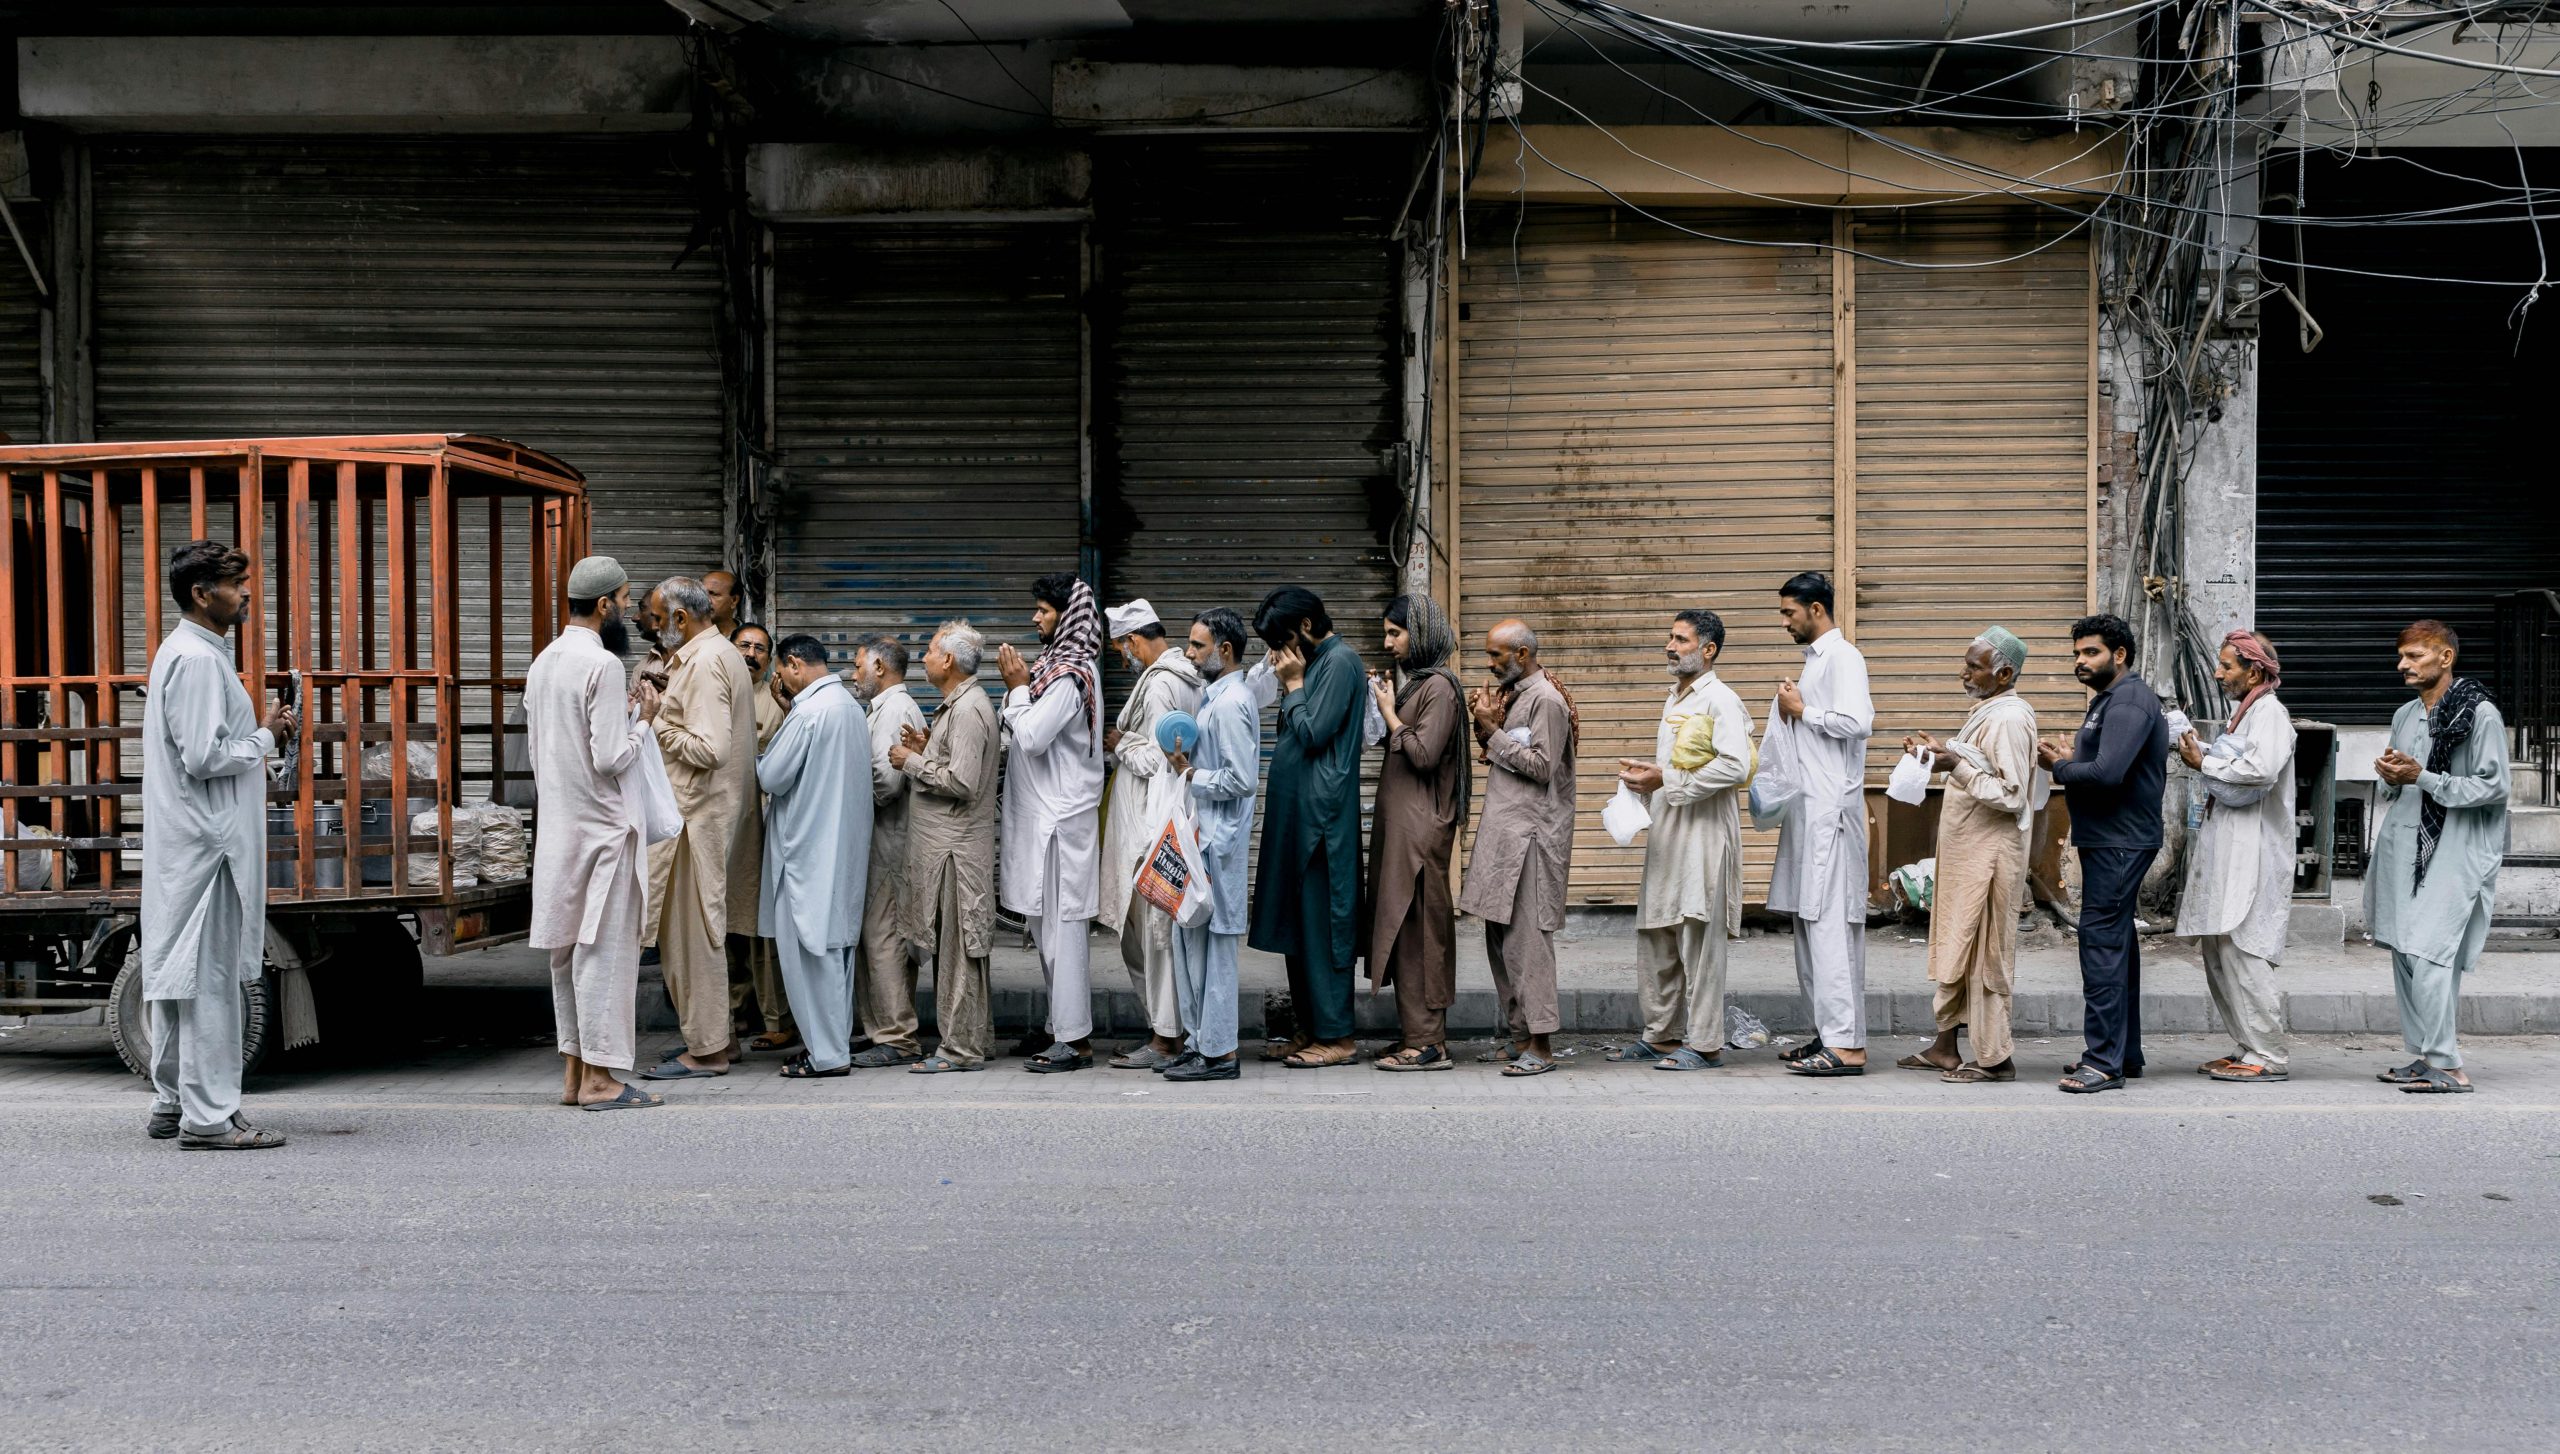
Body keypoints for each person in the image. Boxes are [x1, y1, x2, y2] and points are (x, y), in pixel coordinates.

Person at [138, 539, 301, 1149]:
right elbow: (206, 757)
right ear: (202, 594)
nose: (247, 594)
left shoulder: (183, 652)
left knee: (181, 977)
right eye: (236, 584)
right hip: (208, 849)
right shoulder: (199, 660)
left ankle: (173, 1099)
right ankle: (207, 1120)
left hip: (190, 844)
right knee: (208, 984)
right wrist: (265, 735)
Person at [525, 555, 663, 1113]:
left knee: (567, 956)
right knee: (602, 954)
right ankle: (602, 1082)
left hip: (560, 829)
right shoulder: (601, 665)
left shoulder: (544, 662)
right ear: (604, 605)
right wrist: (646, 719)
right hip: (603, 832)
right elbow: (609, 757)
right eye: (627, 601)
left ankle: (575, 1075)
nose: (629, 612)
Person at [2368, 620, 2509, 1095]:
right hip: (2406, 843)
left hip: (2458, 848)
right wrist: (2391, 775)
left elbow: (2493, 787)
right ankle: (2426, 1055)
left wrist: (2423, 777)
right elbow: (2402, 779)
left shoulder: (2480, 714)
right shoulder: (2406, 714)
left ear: (2444, 658)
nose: (2402, 665)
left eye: (2415, 656)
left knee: (2431, 952)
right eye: (2402, 656)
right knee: (2404, 951)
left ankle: (2449, 1066)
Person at [1611, 609, 1753, 1073]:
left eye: (1681, 639)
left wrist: (1666, 779)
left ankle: (1706, 1043)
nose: (1670, 647)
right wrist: (1647, 781)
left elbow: (1734, 766)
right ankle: (1661, 1035)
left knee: (1698, 937)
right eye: (1670, 638)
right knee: (1659, 932)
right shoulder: (1675, 698)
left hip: (1705, 834)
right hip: (1669, 831)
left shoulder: (1721, 700)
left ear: (1708, 650)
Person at [2037, 612, 2172, 1095]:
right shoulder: (2110, 700)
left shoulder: (2130, 701)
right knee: (2116, 946)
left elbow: (2108, 774)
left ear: (2119, 655)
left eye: (2089, 652)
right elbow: (2103, 764)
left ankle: (2103, 1062)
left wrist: (2060, 766)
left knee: (2101, 947)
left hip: (2120, 839)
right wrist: (2073, 760)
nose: (2080, 661)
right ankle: (2124, 1054)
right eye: (2076, 653)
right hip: (2109, 837)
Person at [1896, 629, 2038, 1085]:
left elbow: (2011, 795)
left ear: (2004, 673)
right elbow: (1979, 765)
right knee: (1958, 945)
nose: (1965, 673)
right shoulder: (1988, 713)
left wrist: (1952, 764)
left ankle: (1996, 1059)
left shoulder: (2010, 719)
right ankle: (1944, 1047)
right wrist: (1942, 753)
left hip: (1991, 859)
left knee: (1985, 955)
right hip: (1967, 854)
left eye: (1975, 666)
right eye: (1967, 662)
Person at [640, 576, 757, 1082]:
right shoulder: (705, 655)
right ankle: (720, 1039)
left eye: (655, 617)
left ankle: (707, 1050)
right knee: (695, 934)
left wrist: (656, 720)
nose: (650, 625)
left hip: (695, 818)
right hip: (697, 816)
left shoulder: (708, 661)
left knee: (692, 937)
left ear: (681, 619)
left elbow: (711, 750)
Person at [1248, 586, 1368, 1069]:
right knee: (1299, 928)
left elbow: (1316, 732)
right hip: (1298, 817)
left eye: (1277, 641)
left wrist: (1295, 686)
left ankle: (1337, 1036)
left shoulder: (1340, 663)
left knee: (1324, 927)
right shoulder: (1312, 664)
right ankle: (1311, 1025)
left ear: (1302, 629)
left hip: (1322, 821)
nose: (1273, 655)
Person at [1763, 571, 1875, 1078]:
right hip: (1809, 812)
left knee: (1830, 927)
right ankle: (1828, 1035)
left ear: (1816, 610)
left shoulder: (1844, 657)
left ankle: (1848, 1046)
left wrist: (1801, 710)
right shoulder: (1815, 664)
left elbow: (1858, 722)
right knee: (1809, 925)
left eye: (1790, 612)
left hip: (1832, 814)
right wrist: (1795, 711)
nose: (1784, 622)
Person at [2175, 630, 2297, 1083]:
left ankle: (2270, 1055)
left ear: (2255, 670)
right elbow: (2236, 762)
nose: (2218, 673)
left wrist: (2201, 763)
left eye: (2228, 666)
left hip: (2256, 854)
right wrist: (2201, 752)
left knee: (2246, 951)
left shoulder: (2269, 713)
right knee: (2220, 951)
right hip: (2230, 850)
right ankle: (2247, 1047)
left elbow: (2259, 771)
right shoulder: (2245, 715)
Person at [998, 573, 1107, 1073]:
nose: (1035, 617)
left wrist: (1018, 690)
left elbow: (1032, 736)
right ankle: (1058, 1028)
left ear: (1067, 616)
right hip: (1045, 822)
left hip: (1060, 824)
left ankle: (1076, 1041)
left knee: (1064, 934)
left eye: (1043, 610)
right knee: (1046, 933)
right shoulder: (1051, 670)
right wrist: (1020, 693)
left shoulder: (1068, 675)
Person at [1460, 620, 1578, 1077]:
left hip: (1530, 836)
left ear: (1523, 655)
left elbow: (1543, 766)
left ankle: (1542, 1045)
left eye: (1496, 656)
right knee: (1500, 938)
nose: (1489, 665)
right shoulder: (1518, 695)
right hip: (1506, 833)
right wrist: (1487, 723)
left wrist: (1491, 731)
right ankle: (1519, 1037)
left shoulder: (1545, 700)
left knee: (1527, 941)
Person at [756, 633, 872, 1079]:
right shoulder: (847, 707)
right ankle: (832, 1047)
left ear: (794, 665)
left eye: (781, 671)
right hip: (840, 851)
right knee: (834, 957)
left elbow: (772, 776)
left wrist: (759, 756)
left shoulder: (810, 712)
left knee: (809, 959)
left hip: (805, 853)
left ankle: (825, 1056)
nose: (780, 681)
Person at [1098, 598, 1203, 1070]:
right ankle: (1166, 1030)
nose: (1124, 657)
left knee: (1150, 936)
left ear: (1134, 640)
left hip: (1149, 823)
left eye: (1124, 648)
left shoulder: (1160, 684)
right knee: (1151, 935)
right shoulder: (1182, 676)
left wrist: (1123, 746)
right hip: (1158, 821)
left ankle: (1165, 1038)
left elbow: (1162, 761)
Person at [893, 621, 1003, 1073]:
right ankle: (976, 1040)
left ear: (949, 661)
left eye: (930, 651)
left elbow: (961, 782)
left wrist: (911, 761)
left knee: (961, 951)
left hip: (956, 854)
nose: (923, 658)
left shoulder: (970, 709)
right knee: (957, 950)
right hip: (946, 850)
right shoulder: (957, 707)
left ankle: (960, 1050)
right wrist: (927, 749)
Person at [1157, 608, 1261, 1082]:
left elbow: (1241, 779)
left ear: (1224, 650)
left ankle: (1220, 1053)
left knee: (1215, 948)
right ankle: (1199, 1042)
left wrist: (1191, 774)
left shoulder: (1233, 702)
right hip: (1201, 840)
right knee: (1189, 943)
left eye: (1197, 646)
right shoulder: (1212, 697)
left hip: (1219, 843)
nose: (1189, 653)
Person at [1367, 594, 1471, 1072]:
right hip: (1406, 829)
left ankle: (1429, 1043)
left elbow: (1425, 754)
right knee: (1403, 930)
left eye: (1396, 633)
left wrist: (1390, 713)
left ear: (1421, 634)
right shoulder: (1421, 686)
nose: (1389, 643)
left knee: (1421, 934)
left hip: (1421, 832)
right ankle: (1417, 1034)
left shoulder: (1441, 689)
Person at [848, 636, 930, 1068]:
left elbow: (887, 782)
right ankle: (879, 1027)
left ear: (880, 667)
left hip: (891, 841)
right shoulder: (883, 709)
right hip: (880, 841)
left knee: (885, 938)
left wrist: (849, 797)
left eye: (859, 664)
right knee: (873, 936)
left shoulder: (896, 710)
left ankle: (898, 1036)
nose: (853, 672)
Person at [725, 624, 797, 1054]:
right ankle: (734, 1013)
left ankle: (777, 1020)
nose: (751, 654)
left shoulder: (776, 702)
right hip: (721, 827)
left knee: (760, 933)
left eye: (760, 648)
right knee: (726, 930)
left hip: (762, 828)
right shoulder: (718, 690)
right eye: (744, 645)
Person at [704, 569, 744, 638]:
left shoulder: (749, 640)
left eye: (714, 594)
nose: (706, 600)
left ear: (734, 600)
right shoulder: (687, 637)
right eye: (702, 593)